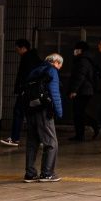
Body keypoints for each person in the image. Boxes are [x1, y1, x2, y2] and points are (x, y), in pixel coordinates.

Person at [21, 53, 64, 182]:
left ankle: (30, 174)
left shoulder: (35, 70)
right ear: (56, 62)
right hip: (44, 111)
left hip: (30, 109)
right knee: (51, 142)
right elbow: (54, 93)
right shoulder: (52, 70)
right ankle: (47, 173)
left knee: (32, 143)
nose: (60, 67)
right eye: (60, 65)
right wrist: (59, 111)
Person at [1, 39, 41, 147]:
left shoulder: (27, 58)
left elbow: (24, 76)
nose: (16, 50)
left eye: (17, 48)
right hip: (33, 91)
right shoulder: (34, 57)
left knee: (18, 113)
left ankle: (15, 138)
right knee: (31, 115)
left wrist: (21, 89)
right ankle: (40, 138)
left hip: (26, 91)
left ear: (23, 48)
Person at [65, 41, 99, 142]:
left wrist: (74, 90)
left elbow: (80, 76)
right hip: (85, 90)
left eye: (76, 49)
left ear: (80, 50)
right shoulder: (84, 59)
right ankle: (82, 133)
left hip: (83, 91)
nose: (74, 51)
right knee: (79, 113)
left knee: (78, 113)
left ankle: (88, 129)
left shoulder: (82, 60)